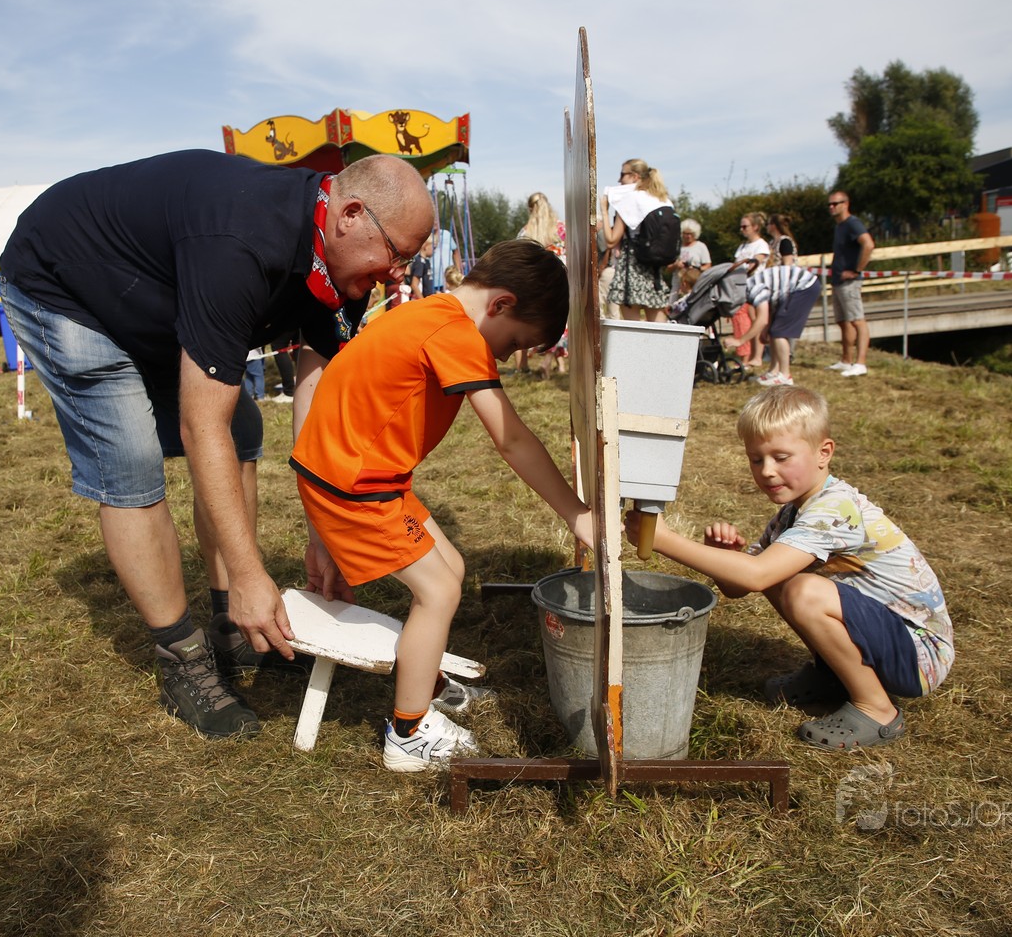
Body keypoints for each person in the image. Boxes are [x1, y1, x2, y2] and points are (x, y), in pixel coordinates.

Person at [0, 150, 434, 739]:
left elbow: (318, 398)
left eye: (410, 259)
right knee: (132, 463)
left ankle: (232, 621)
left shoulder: (344, 263)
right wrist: (253, 573)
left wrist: (325, 531)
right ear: (351, 214)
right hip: (65, 284)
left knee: (242, 431)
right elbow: (200, 426)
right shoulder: (240, 243)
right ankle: (181, 653)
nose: (399, 275)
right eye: (398, 254)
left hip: (153, 294)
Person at [291, 239, 594, 770]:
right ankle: (408, 734)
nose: (509, 355)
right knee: (438, 591)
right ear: (500, 304)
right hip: (356, 487)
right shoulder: (456, 332)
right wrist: (575, 512)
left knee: (450, 568)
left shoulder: (429, 310)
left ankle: (425, 682)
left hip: (360, 475)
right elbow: (512, 439)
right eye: (516, 341)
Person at [626, 386, 953, 751]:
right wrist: (722, 557)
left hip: (919, 654)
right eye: (756, 460)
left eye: (781, 457)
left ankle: (877, 709)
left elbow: (756, 574)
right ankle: (834, 678)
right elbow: (741, 585)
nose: (767, 471)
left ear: (824, 453)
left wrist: (664, 540)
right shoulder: (791, 514)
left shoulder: (835, 508)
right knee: (783, 578)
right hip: (888, 641)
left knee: (802, 591)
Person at [725, 263, 822, 386]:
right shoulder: (751, 286)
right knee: (774, 330)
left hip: (804, 286)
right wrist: (766, 331)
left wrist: (740, 341)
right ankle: (773, 372)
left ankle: (785, 376)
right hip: (799, 286)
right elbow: (770, 312)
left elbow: (762, 320)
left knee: (779, 332)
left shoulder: (754, 290)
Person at [602, 159, 674, 323]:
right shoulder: (661, 199)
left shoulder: (629, 200)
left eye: (622, 175)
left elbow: (611, 241)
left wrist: (605, 211)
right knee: (659, 329)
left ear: (634, 176)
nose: (619, 180)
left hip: (632, 268)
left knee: (633, 330)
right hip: (654, 271)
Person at [513, 191, 566, 372]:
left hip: (535, 283)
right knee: (559, 322)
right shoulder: (561, 229)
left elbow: (518, 260)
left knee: (529, 321)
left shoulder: (525, 232)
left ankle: (525, 366)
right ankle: (551, 363)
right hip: (560, 281)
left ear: (530, 209)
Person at [828, 191, 874, 377]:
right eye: (829, 204)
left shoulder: (853, 224)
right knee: (843, 321)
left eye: (835, 203)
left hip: (850, 282)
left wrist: (856, 270)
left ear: (846, 204)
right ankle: (846, 361)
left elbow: (868, 244)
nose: (831, 207)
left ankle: (860, 363)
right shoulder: (839, 226)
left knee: (857, 320)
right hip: (838, 280)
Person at [732, 212, 772, 368]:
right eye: (741, 227)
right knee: (746, 321)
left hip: (756, 286)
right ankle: (748, 354)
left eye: (745, 226)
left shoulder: (761, 244)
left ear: (755, 227)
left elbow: (756, 263)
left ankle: (756, 356)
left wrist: (744, 269)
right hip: (742, 286)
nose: (742, 229)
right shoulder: (742, 246)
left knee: (756, 321)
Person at [667, 217, 711, 296]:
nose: (688, 236)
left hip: (695, 284)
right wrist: (676, 265)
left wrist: (696, 268)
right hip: (677, 285)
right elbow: (668, 269)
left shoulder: (701, 246)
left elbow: (708, 266)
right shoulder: (676, 247)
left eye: (691, 234)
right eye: (686, 233)